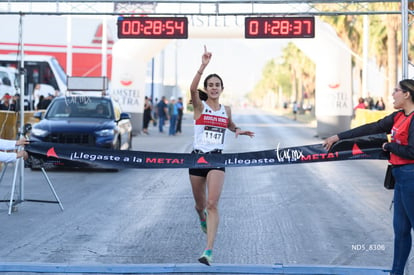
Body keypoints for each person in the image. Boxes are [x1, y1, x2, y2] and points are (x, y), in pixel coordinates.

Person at [323, 79, 414, 275]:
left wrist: (389, 146)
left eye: (396, 91)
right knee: (401, 231)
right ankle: (396, 272)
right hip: (400, 177)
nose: (392, 94)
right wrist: (338, 137)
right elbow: (372, 128)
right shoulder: (398, 116)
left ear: (407, 94)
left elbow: (413, 151)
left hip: (411, 177)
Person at [189, 46, 255, 266]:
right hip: (197, 159)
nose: (214, 88)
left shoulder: (225, 109)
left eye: (217, 85)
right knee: (200, 206)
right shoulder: (199, 107)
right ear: (206, 89)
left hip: (217, 159)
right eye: (210, 85)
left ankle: (208, 251)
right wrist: (203, 66)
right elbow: (192, 89)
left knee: (212, 203)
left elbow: (228, 124)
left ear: (222, 89)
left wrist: (237, 129)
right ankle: (201, 219)